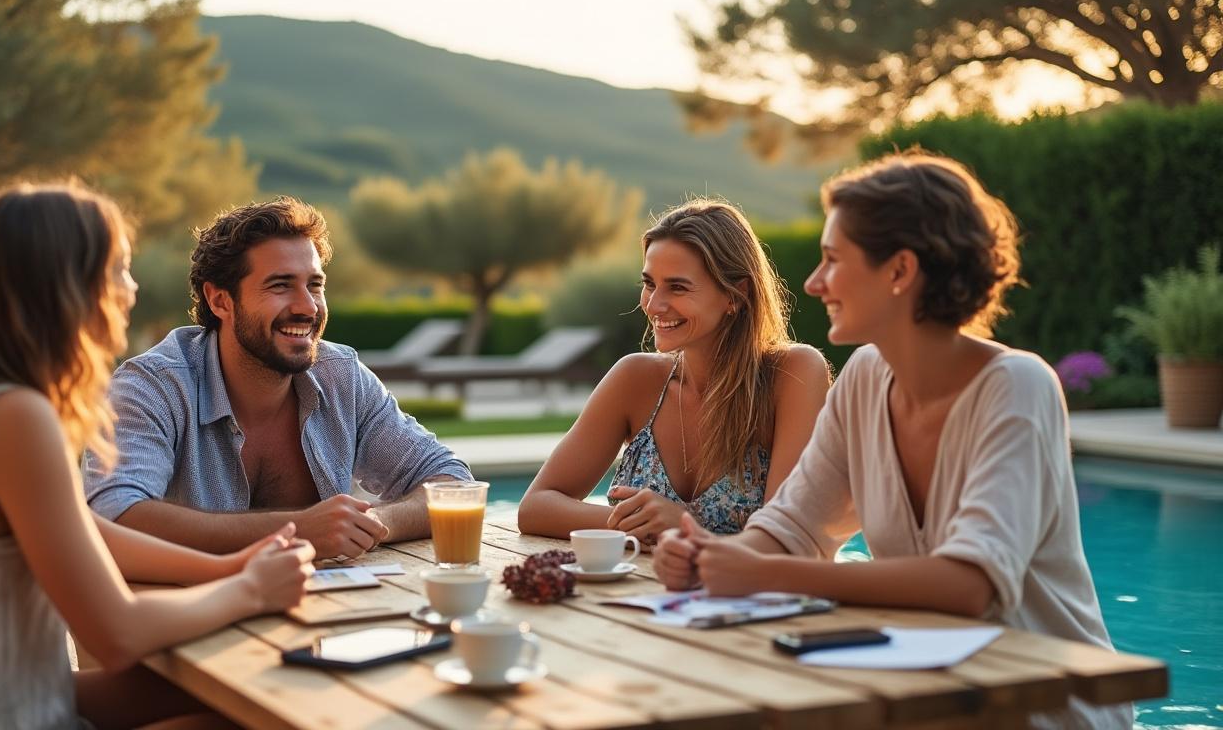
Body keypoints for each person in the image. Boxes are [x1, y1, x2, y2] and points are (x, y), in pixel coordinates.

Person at [655, 153, 1129, 729]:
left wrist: (764, 574)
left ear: (899, 270)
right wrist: (713, 559)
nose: (813, 282)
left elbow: (971, 584)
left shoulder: (1016, 387)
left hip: (1042, 707)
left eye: (832, 260)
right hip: (935, 696)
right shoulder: (863, 378)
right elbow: (793, 528)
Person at [0, 184, 316, 729]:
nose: (131, 289)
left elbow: (85, 529)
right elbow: (118, 634)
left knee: (245, 693)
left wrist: (227, 567)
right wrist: (248, 590)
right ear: (66, 286)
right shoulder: (15, 417)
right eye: (119, 269)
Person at [83, 197, 472, 559]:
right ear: (220, 300)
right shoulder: (152, 386)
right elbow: (113, 516)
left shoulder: (341, 377)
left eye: (315, 285)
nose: (307, 306)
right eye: (281, 285)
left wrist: (367, 525)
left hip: (314, 617)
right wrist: (298, 530)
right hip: (179, 623)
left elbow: (453, 485)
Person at [519, 198, 830, 543]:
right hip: (636, 594)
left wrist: (682, 526)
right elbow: (535, 508)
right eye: (649, 283)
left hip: (750, 596)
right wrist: (640, 523)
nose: (654, 305)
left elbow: (785, 538)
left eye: (677, 287)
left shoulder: (793, 375)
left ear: (735, 295)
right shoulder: (635, 379)